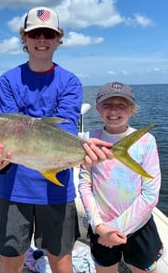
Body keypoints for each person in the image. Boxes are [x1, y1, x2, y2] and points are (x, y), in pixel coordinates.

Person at [0, 6, 113, 273]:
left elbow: (65, 129)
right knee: (11, 261)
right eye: (35, 34)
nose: (41, 40)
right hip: (14, 188)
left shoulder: (70, 82)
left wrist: (83, 152)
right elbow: (9, 130)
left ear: (58, 39)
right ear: (24, 39)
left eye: (48, 34)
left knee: (61, 261)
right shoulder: (7, 80)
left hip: (56, 187)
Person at [78, 81, 164, 273]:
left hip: (139, 224)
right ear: (98, 108)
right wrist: (100, 227)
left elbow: (150, 194)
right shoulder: (87, 139)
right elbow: (85, 184)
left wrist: (115, 229)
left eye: (121, 105)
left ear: (132, 110)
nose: (114, 110)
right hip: (102, 225)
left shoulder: (146, 141)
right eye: (107, 104)